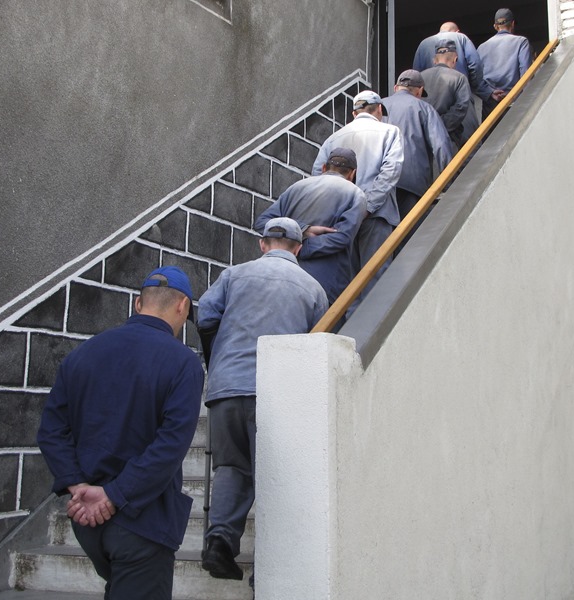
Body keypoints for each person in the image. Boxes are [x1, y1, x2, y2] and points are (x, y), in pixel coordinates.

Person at [36, 266, 204, 600]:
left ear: (138, 304)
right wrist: (113, 495)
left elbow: (51, 432)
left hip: (87, 522)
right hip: (143, 520)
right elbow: (170, 445)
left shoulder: (83, 353)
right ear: (182, 307)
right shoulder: (183, 362)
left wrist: (79, 486)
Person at [198, 217, 328, 581]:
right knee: (275, 477)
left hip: (225, 388)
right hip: (277, 392)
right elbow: (319, 342)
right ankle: (269, 570)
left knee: (231, 467)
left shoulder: (234, 275)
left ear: (262, 244)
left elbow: (205, 315)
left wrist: (218, 359)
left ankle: (220, 542)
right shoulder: (313, 288)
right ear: (299, 248)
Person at [312, 90, 403, 300]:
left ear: (354, 113)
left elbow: (318, 174)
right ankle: (377, 330)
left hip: (340, 220)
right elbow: (391, 172)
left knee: (347, 282)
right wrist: (367, 206)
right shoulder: (390, 132)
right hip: (376, 215)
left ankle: (350, 329)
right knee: (377, 278)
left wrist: (339, 210)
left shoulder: (333, 138)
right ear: (379, 109)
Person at [253, 147, 367, 304]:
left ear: (324, 167)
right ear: (353, 173)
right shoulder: (356, 194)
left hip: (283, 277)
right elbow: (342, 237)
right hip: (326, 283)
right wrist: (302, 245)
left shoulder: (297, 187)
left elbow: (262, 222)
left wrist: (300, 232)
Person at [381, 70, 454, 245]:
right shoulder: (424, 108)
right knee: (409, 239)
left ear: (395, 87)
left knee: (383, 242)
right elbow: (441, 145)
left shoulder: (378, 107)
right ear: (419, 90)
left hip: (380, 185)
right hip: (412, 185)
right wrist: (450, 183)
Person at [414, 22, 494, 137]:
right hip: (460, 105)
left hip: (430, 111)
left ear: (434, 60)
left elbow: (416, 77)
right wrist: (485, 92)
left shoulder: (423, 44)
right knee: (470, 146)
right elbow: (475, 66)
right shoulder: (461, 38)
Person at [478, 8, 532, 117]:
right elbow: (526, 72)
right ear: (512, 24)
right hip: (514, 100)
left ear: (495, 26)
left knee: (493, 133)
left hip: (491, 103)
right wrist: (528, 100)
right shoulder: (521, 42)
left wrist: (490, 93)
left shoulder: (481, 47)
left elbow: (477, 78)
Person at [421, 40, 475, 147]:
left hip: (423, 138)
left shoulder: (420, 77)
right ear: (455, 60)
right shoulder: (459, 78)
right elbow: (461, 107)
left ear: (434, 60)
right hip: (448, 138)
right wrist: (440, 126)